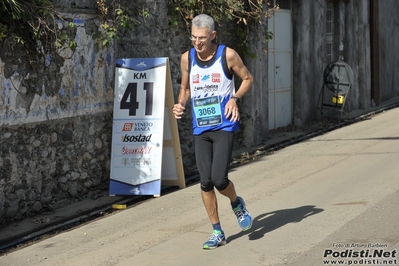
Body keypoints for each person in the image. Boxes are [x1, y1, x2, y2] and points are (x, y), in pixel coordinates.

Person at [172, 14, 254, 250]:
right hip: (201, 127)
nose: (197, 42)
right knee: (206, 182)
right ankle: (217, 231)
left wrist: (234, 98)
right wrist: (181, 104)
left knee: (219, 179)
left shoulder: (226, 55)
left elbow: (247, 78)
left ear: (213, 35)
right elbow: (185, 88)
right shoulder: (187, 58)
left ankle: (237, 204)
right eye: (194, 37)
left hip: (224, 124)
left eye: (202, 38)